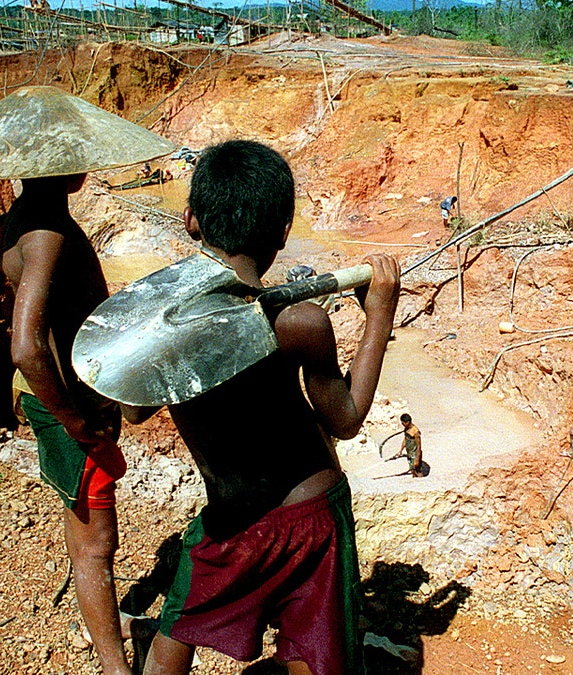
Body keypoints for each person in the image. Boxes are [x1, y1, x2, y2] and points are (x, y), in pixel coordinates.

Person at [130, 140, 401, 675]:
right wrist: (379, 318)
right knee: (316, 654)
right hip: (310, 518)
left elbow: (133, 410)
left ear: (190, 220)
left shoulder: (163, 332)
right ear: (283, 233)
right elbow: (346, 420)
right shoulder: (299, 322)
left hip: (229, 522)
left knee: (176, 633)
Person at [0, 174, 142, 675]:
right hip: (69, 404)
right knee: (96, 545)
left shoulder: (21, 222)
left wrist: (19, 275)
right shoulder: (47, 234)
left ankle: (102, 624)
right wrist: (75, 421)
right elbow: (26, 348)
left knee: (83, 522)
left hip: (59, 399)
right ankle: (115, 665)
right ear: (63, 169)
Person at [400, 413, 424, 478]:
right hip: (409, 453)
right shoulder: (406, 429)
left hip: (415, 454)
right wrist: (401, 450)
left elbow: (419, 446)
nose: (402, 424)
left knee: (417, 470)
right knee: (412, 470)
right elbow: (405, 439)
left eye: (403, 423)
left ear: (407, 422)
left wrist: (417, 459)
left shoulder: (415, 432)